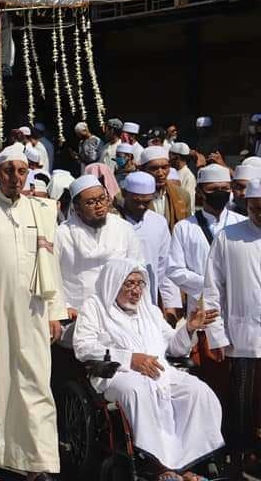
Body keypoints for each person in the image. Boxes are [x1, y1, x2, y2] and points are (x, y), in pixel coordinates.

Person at [0, 144, 65, 480]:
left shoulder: (40, 210)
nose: (15, 178)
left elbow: (51, 265)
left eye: (21, 172)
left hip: (33, 311)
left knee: (35, 382)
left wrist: (54, 312)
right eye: (9, 171)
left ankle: (39, 459)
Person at [72, 258, 224, 480]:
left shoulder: (149, 310)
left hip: (161, 371)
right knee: (139, 391)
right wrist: (129, 359)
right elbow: (84, 347)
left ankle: (188, 464)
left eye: (140, 284)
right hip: (117, 373)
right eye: (129, 284)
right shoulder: (95, 307)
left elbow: (174, 346)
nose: (136, 291)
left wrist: (189, 328)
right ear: (114, 282)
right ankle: (158, 467)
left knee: (198, 392)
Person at [166, 164, 245, 399]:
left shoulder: (242, 224)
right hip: (205, 312)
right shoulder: (184, 228)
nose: (220, 192)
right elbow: (174, 269)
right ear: (201, 191)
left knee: (242, 376)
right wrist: (211, 285)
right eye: (213, 189)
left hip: (240, 311)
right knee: (212, 377)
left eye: (225, 188)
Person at [203, 179, 261, 478]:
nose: (260, 213)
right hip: (243, 336)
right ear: (247, 205)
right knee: (241, 400)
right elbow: (212, 290)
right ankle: (240, 455)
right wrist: (216, 335)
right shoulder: (229, 237)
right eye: (256, 208)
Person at [56, 174, 145, 323]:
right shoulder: (61, 234)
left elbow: (138, 269)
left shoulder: (124, 229)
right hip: (77, 315)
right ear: (77, 208)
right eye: (91, 202)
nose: (99, 206)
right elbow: (52, 277)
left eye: (102, 199)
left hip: (118, 315)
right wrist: (63, 306)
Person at [118, 172, 181, 317]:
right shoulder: (112, 221)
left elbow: (164, 266)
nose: (141, 206)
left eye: (146, 202)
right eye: (136, 201)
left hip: (147, 300)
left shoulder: (158, 222)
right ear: (124, 194)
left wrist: (170, 304)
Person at [140, 146, 190, 231]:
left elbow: (187, 230)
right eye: (154, 168)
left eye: (164, 167)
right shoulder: (130, 197)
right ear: (142, 170)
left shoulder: (182, 195)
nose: (160, 173)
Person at [168, 143, 197, 209]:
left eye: (170, 154)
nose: (168, 157)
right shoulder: (169, 171)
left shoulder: (188, 176)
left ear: (176, 157)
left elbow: (189, 202)